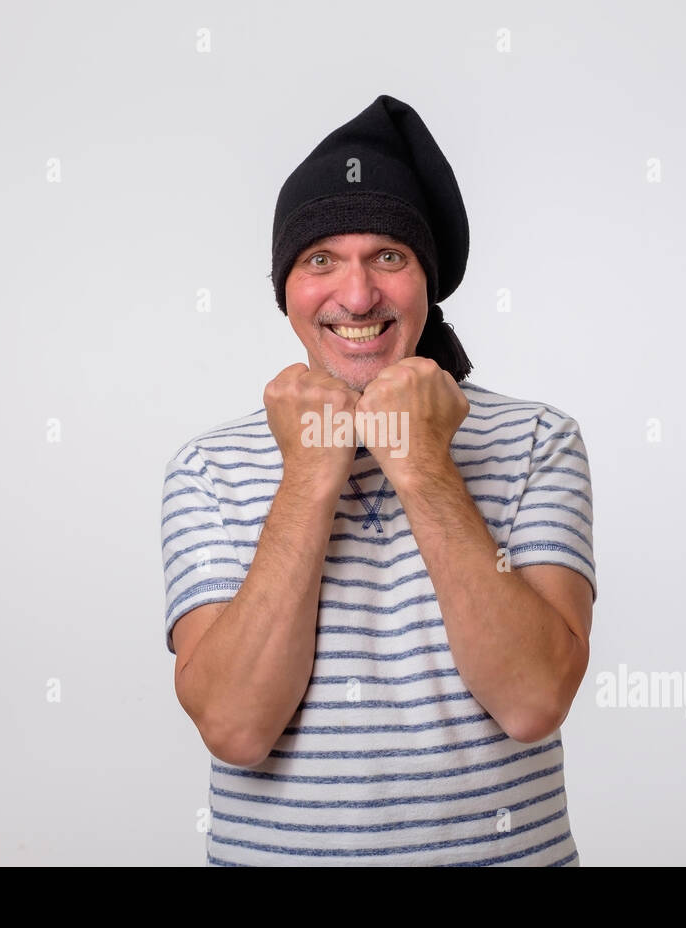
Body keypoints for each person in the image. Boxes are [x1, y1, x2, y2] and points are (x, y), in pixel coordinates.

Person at [160, 94, 597, 865]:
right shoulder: (208, 468)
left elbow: (533, 701)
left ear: (425, 278)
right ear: (286, 288)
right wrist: (308, 473)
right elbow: (235, 726)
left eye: (387, 257)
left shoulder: (537, 440)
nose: (356, 296)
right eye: (320, 259)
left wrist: (421, 462)